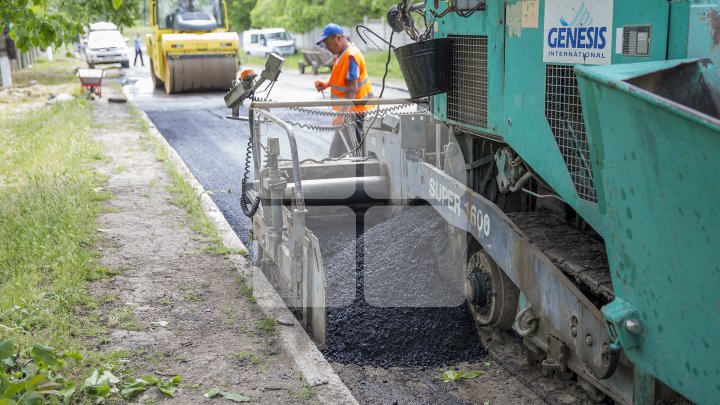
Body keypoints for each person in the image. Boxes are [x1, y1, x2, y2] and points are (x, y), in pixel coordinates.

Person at [313, 23, 374, 158]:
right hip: (349, 113)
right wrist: (327, 84)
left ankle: (343, 174)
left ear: (338, 38)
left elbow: (353, 89)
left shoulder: (351, 55)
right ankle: (335, 172)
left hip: (354, 113)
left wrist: (341, 116)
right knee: (341, 153)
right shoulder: (341, 54)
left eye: (327, 43)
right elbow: (343, 78)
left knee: (354, 155)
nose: (326, 47)